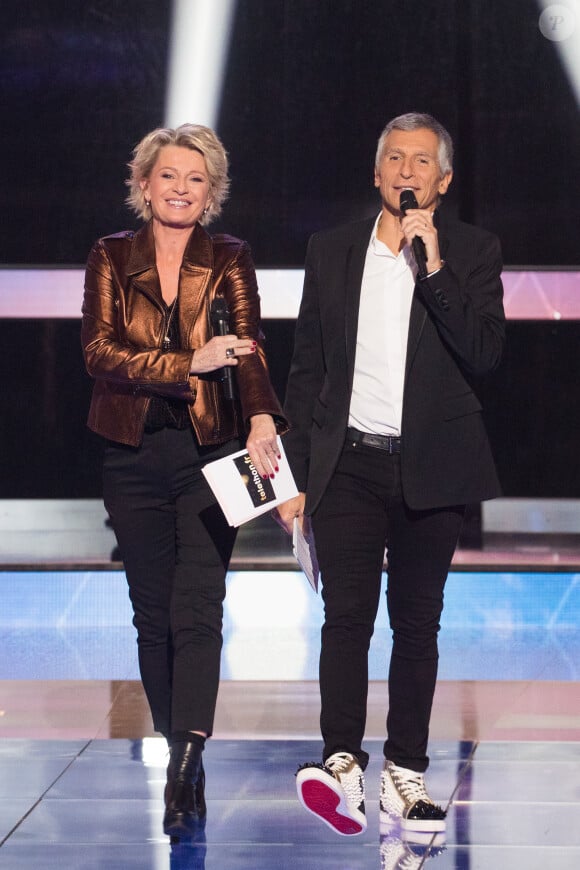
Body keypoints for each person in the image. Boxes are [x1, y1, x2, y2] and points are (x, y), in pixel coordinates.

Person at [273, 112, 505, 837]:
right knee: (345, 618)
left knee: (417, 623)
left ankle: (406, 772)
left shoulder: (470, 250)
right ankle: (340, 763)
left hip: (431, 468)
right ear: (376, 174)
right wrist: (297, 476)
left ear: (444, 180)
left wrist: (431, 266)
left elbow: (484, 352)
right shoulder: (332, 249)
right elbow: (308, 366)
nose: (407, 172)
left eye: (421, 161)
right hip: (349, 466)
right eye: (395, 159)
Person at [81, 123, 287, 840]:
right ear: (144, 184)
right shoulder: (111, 255)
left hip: (212, 452)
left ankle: (187, 756)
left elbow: (248, 346)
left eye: (195, 179)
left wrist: (262, 419)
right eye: (168, 176)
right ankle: (180, 754)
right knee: (153, 616)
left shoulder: (230, 256)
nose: (180, 189)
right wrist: (183, 366)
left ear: (212, 192)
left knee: (198, 608)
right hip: (132, 453)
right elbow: (100, 352)